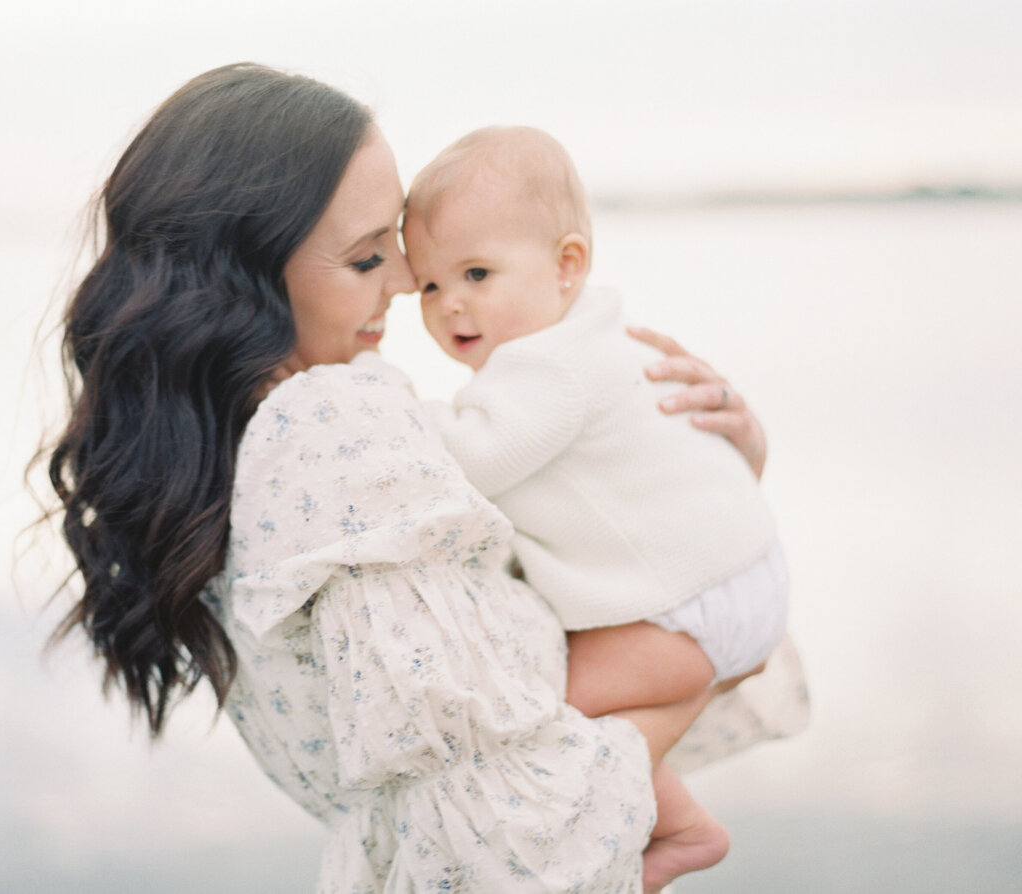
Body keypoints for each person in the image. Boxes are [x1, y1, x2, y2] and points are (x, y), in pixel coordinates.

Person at [39, 63, 797, 893]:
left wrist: (695, 461)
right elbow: (503, 819)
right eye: (370, 257)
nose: (408, 283)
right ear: (248, 276)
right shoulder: (329, 423)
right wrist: (711, 643)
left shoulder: (214, 462)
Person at [400, 125, 792, 890]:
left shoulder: (548, 370)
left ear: (566, 264)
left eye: (477, 272)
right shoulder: (601, 338)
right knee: (600, 728)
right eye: (430, 286)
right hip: (745, 578)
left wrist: (380, 406)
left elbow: (468, 456)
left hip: (690, 608)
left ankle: (678, 829)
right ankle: (677, 824)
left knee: (527, 717)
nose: (451, 305)